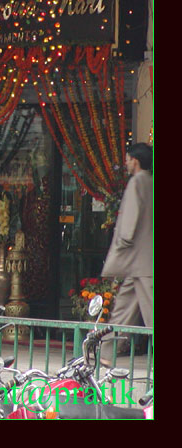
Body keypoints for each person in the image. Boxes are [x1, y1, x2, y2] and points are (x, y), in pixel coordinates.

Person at [100, 143, 153, 366]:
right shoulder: (151, 182)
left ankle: (106, 352)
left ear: (136, 161)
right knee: (123, 307)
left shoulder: (137, 182)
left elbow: (129, 221)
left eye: (128, 159)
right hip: (141, 261)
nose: (126, 163)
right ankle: (105, 353)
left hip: (142, 261)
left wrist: (122, 244)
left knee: (151, 313)